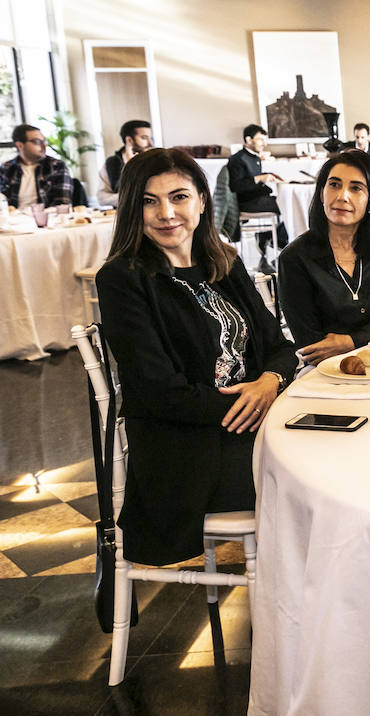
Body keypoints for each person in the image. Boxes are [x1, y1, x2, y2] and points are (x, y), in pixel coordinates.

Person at [95, 148, 295, 565]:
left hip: (252, 426)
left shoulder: (223, 263)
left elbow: (279, 347)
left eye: (179, 197)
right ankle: (301, 615)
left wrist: (269, 382)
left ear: (203, 201)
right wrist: (252, 402)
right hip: (184, 452)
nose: (166, 213)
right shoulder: (122, 279)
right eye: (149, 201)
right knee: (311, 482)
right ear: (133, 208)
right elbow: (160, 392)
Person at [277, 149, 370, 366]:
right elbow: (310, 344)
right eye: (334, 185)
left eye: (356, 188)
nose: (342, 196)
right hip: (327, 372)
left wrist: (352, 341)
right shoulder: (295, 258)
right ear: (321, 193)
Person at [226, 124, 287, 256]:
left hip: (256, 198)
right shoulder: (237, 159)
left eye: (265, 140)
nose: (264, 144)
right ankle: (275, 237)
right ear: (248, 140)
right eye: (260, 139)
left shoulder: (254, 157)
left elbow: (251, 177)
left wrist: (268, 175)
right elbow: (236, 186)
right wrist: (260, 178)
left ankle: (269, 236)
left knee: (288, 202)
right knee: (287, 205)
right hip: (246, 202)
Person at [2, 124, 73, 210]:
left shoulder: (56, 166)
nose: (44, 145)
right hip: (13, 220)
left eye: (44, 141)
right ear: (20, 145)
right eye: (37, 142)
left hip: (47, 220)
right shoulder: (6, 168)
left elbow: (62, 203)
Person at [95, 119, 153, 207]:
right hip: (123, 216)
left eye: (150, 138)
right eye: (144, 138)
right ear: (129, 140)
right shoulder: (111, 163)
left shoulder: (154, 159)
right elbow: (102, 198)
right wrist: (132, 197)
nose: (150, 143)